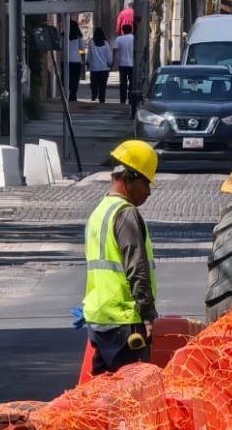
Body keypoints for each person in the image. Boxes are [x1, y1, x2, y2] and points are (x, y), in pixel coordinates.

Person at [82, 140, 159, 376]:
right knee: (132, 398)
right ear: (129, 178)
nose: (148, 192)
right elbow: (136, 268)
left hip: (100, 320)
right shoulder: (126, 214)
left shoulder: (100, 211)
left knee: (104, 397)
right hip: (125, 321)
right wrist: (147, 316)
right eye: (145, 183)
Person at [88, 28, 113, 103]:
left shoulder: (91, 43)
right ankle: (102, 98)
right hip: (104, 68)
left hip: (94, 68)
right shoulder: (106, 44)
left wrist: (88, 62)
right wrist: (110, 63)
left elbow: (89, 55)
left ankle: (94, 94)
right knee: (103, 85)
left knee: (94, 83)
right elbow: (109, 56)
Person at [114, 24, 136, 105]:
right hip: (132, 64)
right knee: (132, 84)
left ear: (123, 30)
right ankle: (131, 99)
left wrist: (114, 61)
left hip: (122, 64)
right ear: (131, 30)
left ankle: (122, 100)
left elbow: (115, 51)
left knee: (123, 84)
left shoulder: (119, 39)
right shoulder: (134, 38)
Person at [67, 20, 84, 102]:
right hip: (76, 60)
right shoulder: (79, 37)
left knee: (67, 78)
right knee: (75, 79)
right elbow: (82, 48)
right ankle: (73, 95)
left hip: (65, 60)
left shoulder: (63, 35)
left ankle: (68, 91)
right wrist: (82, 57)